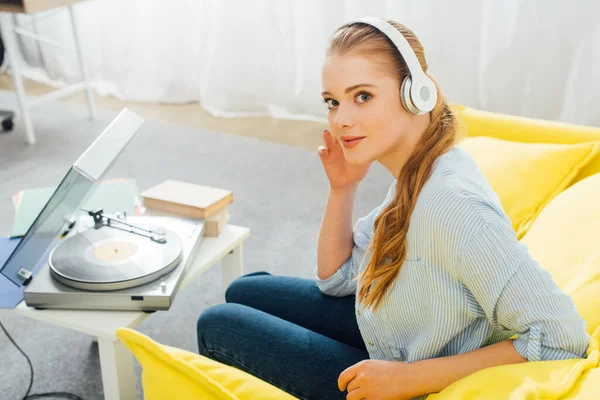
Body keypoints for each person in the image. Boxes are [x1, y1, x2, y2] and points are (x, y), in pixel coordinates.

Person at [196, 17, 590, 400]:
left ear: (414, 94)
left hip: (412, 378)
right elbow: (336, 279)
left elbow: (561, 336)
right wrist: (343, 187)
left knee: (218, 324)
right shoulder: (417, 172)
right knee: (243, 290)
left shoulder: (453, 207)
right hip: (396, 332)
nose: (341, 120)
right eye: (333, 102)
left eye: (362, 96)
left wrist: (408, 379)